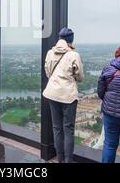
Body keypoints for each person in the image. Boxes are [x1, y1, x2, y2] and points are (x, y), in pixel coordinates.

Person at [43, 27, 84, 163]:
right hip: (68, 96)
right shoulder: (73, 55)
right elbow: (80, 77)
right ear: (71, 40)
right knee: (68, 129)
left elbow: (48, 72)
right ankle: (68, 160)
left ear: (60, 39)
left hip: (52, 94)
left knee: (57, 128)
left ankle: (59, 159)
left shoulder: (50, 52)